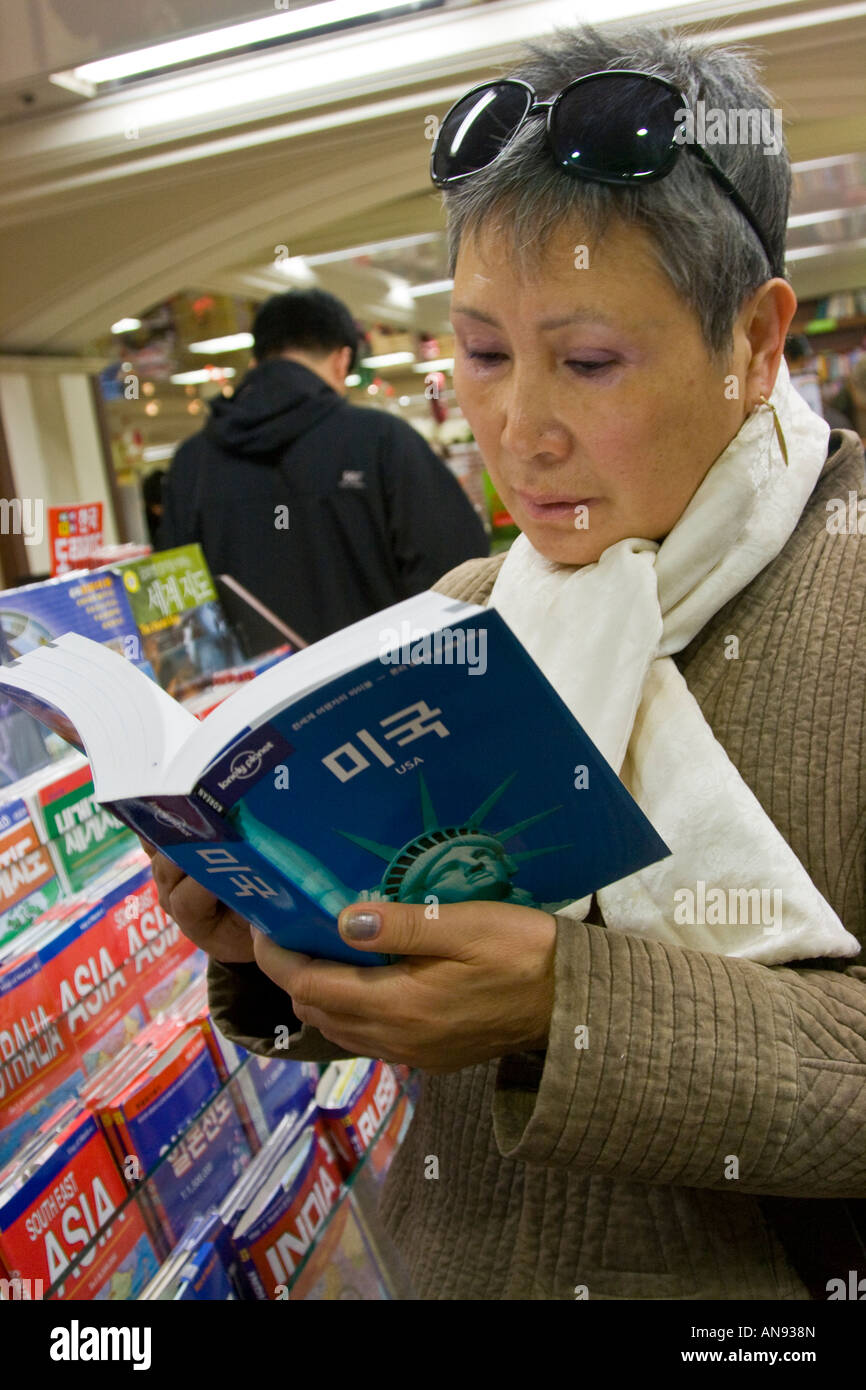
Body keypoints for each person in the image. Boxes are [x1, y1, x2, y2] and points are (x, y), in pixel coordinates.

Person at [146, 25, 866, 1300]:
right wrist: (275, 925)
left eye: (588, 362)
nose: (516, 433)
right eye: (480, 353)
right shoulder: (467, 614)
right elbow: (420, 968)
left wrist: (563, 1011)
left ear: (754, 341)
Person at [158, 288, 488, 642]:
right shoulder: (382, 440)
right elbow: (458, 573)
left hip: (254, 695)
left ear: (257, 362)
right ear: (342, 360)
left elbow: (174, 607)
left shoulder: (192, 464)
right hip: (379, 685)